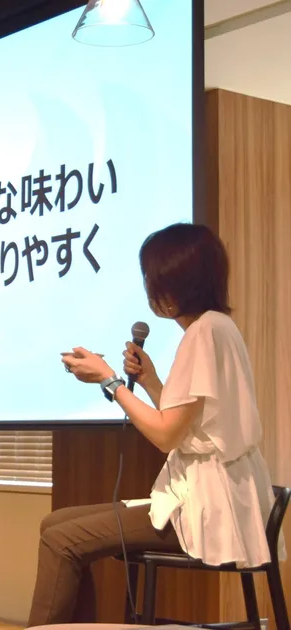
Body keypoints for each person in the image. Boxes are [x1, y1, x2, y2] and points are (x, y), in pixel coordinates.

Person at [28, 223, 281, 626]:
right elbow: (189, 425)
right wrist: (149, 381)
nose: (148, 286)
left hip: (207, 505)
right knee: (54, 524)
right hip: (224, 495)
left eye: (151, 277)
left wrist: (110, 381)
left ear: (173, 284)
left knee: (61, 539)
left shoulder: (201, 334)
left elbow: (166, 435)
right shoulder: (219, 327)